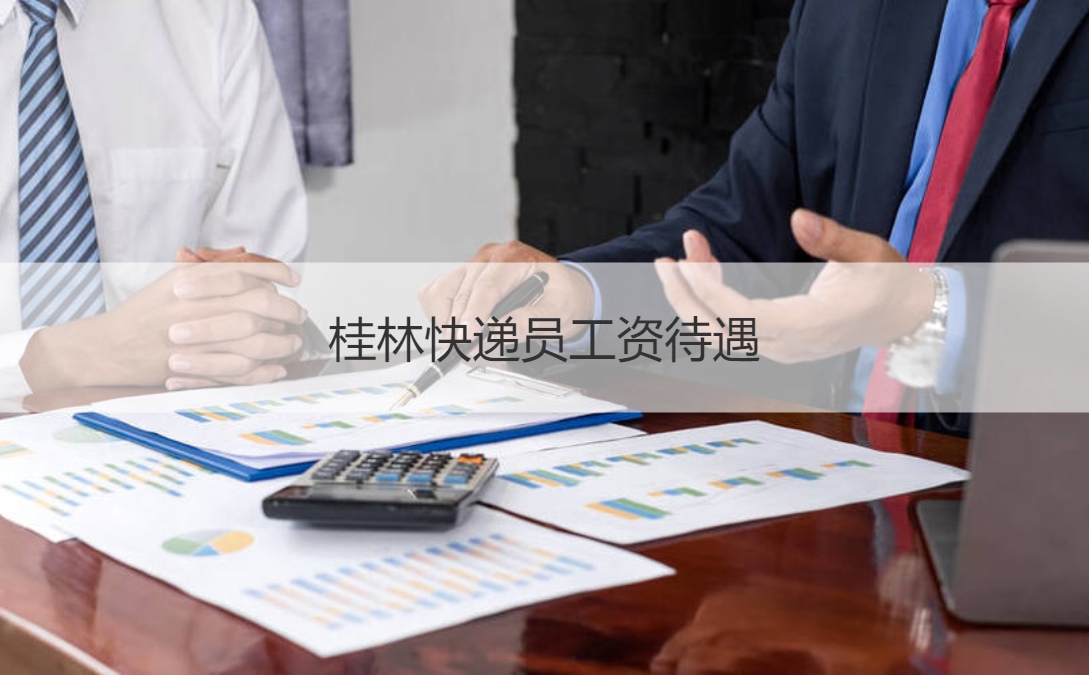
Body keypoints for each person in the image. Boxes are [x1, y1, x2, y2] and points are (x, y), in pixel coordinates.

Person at [422, 0, 1086, 427]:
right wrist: (581, 296)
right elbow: (741, 225)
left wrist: (926, 311)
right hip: (846, 480)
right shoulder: (843, 14)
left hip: (1041, 496)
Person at [0, 0, 309, 403]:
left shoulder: (212, 15)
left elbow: (264, 286)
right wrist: (53, 360)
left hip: (167, 420)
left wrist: (232, 336)